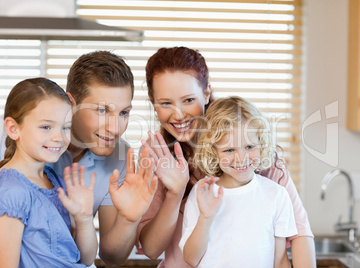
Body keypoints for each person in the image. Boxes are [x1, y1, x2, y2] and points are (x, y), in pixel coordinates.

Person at [137, 46, 316, 267]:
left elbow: (299, 232)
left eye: (188, 100)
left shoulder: (255, 152)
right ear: (152, 101)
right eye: (166, 103)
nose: (179, 114)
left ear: (206, 93)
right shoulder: (155, 155)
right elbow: (152, 250)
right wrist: (175, 193)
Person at [0, 51, 158, 267]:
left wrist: (128, 219)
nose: (115, 129)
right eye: (102, 110)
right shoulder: (21, 142)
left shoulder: (120, 157)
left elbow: (109, 258)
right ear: (71, 103)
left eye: (124, 113)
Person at [179, 96, 297, 267]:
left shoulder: (277, 195)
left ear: (261, 143)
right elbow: (191, 258)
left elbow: (280, 260)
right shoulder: (203, 192)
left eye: (249, 147)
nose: (241, 158)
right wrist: (206, 217)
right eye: (229, 150)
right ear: (213, 151)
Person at [0, 77, 97, 267]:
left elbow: (86, 259)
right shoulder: (12, 190)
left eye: (65, 128)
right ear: (13, 129)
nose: (58, 137)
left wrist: (84, 218)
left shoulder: (55, 181)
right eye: (46, 127)